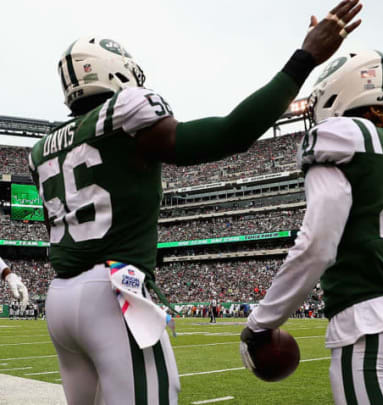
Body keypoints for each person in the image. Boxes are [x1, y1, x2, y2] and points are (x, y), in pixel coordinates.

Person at [28, 3, 361, 404]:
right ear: (114, 70)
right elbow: (229, 134)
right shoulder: (126, 112)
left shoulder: (40, 150)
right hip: (111, 289)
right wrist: (303, 59)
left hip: (60, 299)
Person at [240, 49, 383, 405]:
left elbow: (318, 243)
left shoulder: (340, 138)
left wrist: (260, 323)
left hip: (369, 328)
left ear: (336, 92)